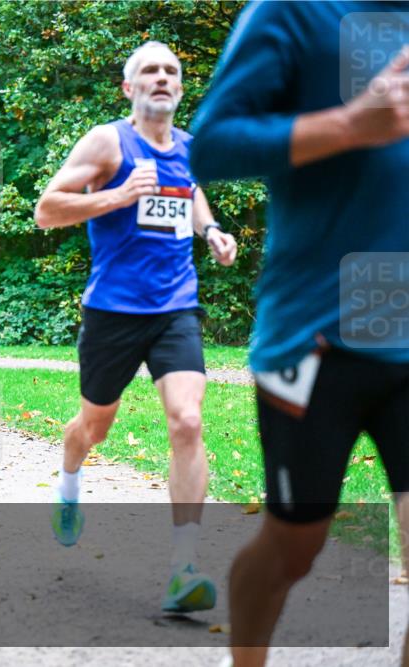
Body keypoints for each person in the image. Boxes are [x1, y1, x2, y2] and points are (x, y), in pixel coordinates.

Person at [189, 3, 409, 664]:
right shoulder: (294, 10)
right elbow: (211, 143)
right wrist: (348, 124)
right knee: (296, 544)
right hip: (321, 331)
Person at [34, 41, 238, 614]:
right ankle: (70, 480)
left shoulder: (190, 149)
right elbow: (47, 209)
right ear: (129, 88)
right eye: (149, 70)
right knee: (94, 427)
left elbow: (190, 191)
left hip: (175, 306)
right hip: (113, 311)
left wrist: (212, 231)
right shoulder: (108, 141)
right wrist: (118, 195)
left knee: (188, 419)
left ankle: (183, 567)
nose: (162, 78)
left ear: (180, 86)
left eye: (172, 70)